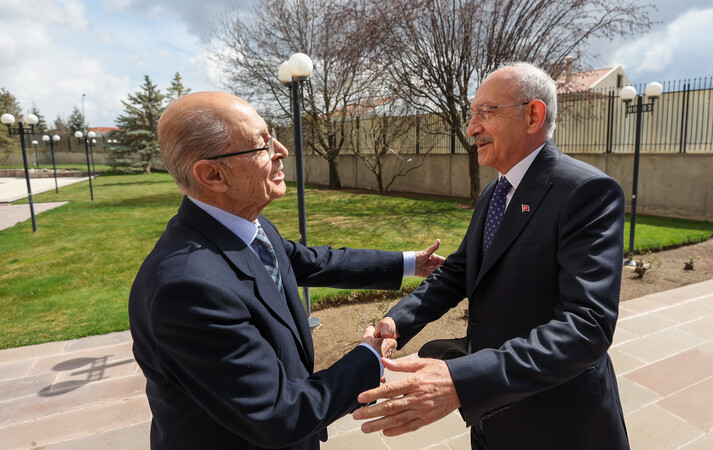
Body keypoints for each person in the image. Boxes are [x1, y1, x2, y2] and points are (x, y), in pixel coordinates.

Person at [128, 91, 444, 450]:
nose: (282, 151)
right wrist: (369, 356)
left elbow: (312, 261)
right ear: (212, 174)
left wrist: (408, 263)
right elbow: (280, 414)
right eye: (261, 145)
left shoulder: (244, 227)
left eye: (272, 135)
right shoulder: (187, 289)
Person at [353, 62, 630, 449]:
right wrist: (396, 323)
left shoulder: (586, 192)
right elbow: (458, 273)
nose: (471, 128)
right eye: (471, 114)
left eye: (486, 112)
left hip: (558, 423)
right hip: (492, 422)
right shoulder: (495, 193)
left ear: (533, 115)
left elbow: (587, 328)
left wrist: (460, 381)